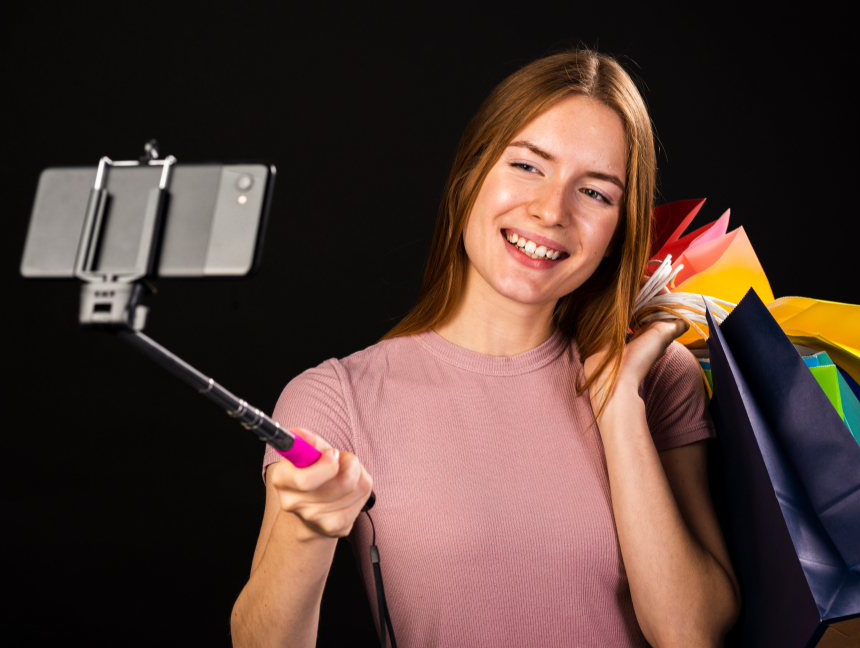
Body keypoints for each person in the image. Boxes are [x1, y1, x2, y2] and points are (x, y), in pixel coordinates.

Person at [231, 49, 741, 648]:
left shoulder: (656, 378)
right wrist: (304, 527)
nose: (551, 210)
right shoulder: (334, 398)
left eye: (596, 194)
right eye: (528, 166)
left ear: (617, 234)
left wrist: (619, 406)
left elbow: (692, 633)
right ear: (471, 174)